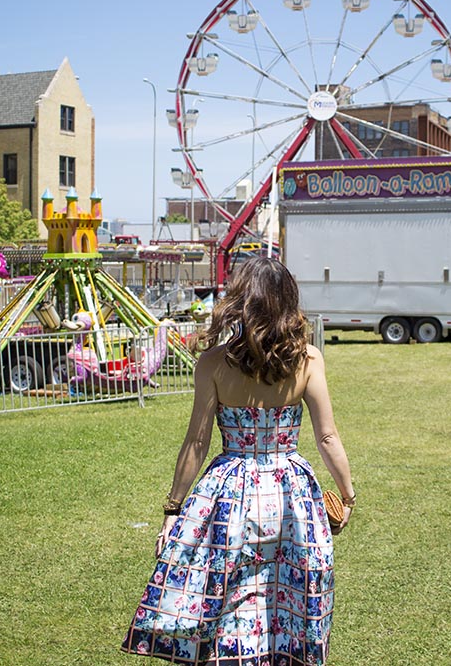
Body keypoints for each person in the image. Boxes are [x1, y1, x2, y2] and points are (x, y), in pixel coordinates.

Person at [122, 256, 355, 665]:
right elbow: (327, 436)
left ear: (240, 302)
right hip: (292, 494)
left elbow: (197, 441)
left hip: (229, 491)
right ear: (287, 301)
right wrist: (348, 495)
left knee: (228, 596)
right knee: (288, 597)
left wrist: (173, 508)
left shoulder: (212, 363)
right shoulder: (308, 360)